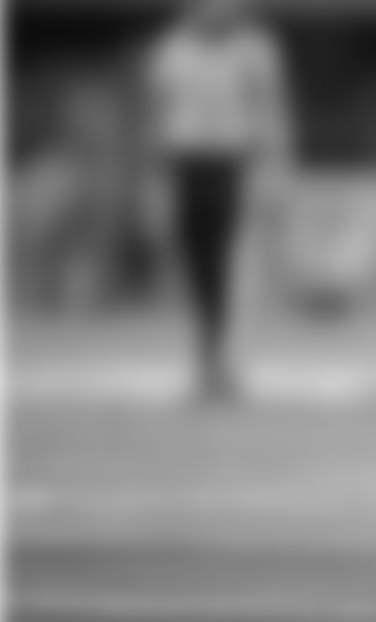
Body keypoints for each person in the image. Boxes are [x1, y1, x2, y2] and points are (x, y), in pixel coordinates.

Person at [144, 0, 294, 402]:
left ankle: (229, 363)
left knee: (232, 267)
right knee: (197, 267)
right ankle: (205, 360)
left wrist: (275, 170)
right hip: (186, 163)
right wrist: (156, 180)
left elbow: (269, 112)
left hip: (231, 163)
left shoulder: (254, 50)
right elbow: (158, 116)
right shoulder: (172, 49)